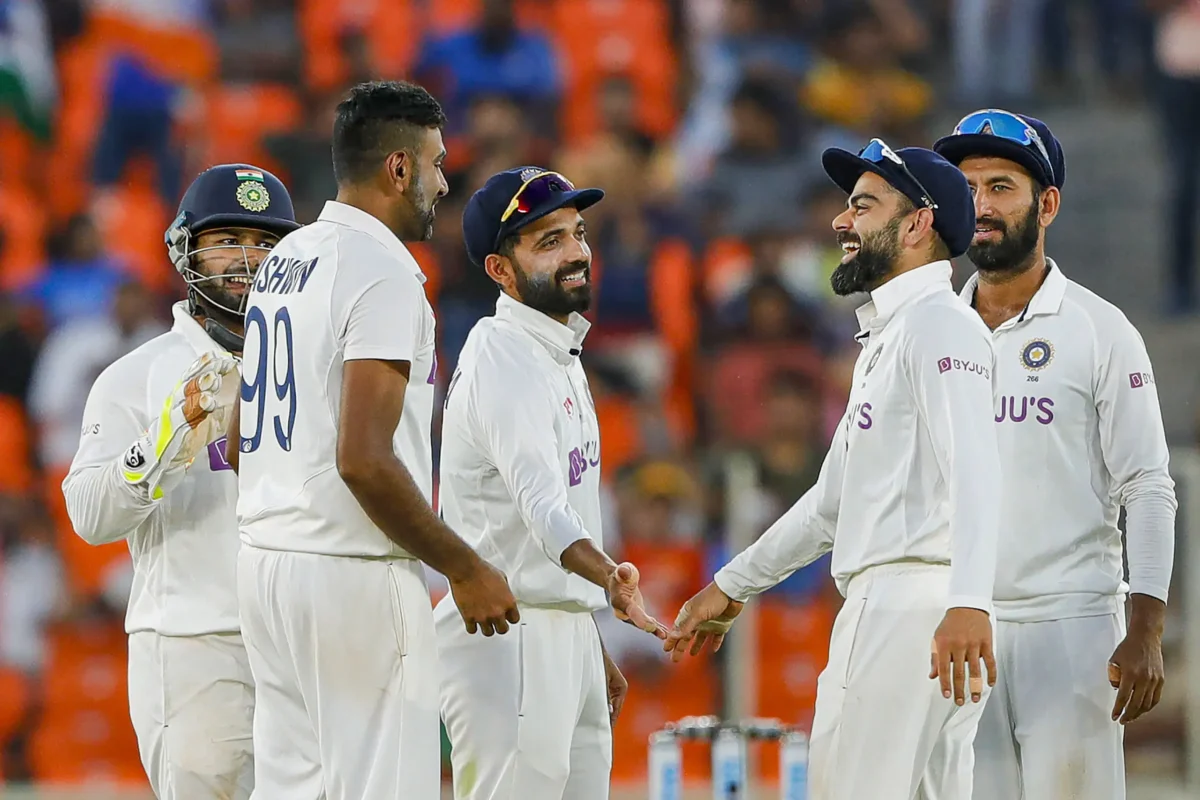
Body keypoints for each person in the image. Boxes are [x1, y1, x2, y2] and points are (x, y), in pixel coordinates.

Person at [667, 140, 1003, 799]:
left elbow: (978, 471)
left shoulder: (936, 325)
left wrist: (969, 602)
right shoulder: (896, 334)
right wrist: (732, 584)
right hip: (919, 606)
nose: (840, 222)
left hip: (906, 607)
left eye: (863, 206)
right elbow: (832, 504)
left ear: (917, 224)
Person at [226, 80, 519, 800]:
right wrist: (464, 568)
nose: (444, 183)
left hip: (265, 565)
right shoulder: (382, 270)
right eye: (437, 164)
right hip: (351, 573)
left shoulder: (285, 260)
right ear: (398, 167)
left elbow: (237, 440)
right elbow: (362, 458)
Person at [933, 109, 1178, 799]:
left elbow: (1147, 484)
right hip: (959, 624)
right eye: (967, 187)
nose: (981, 205)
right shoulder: (930, 331)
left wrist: (1146, 627)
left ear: (1047, 205)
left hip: (1072, 626)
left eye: (1001, 187)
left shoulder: (1101, 330)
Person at [62, 163, 301, 799]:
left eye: (265, 242)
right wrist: (162, 443)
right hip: (195, 643)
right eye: (228, 240)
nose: (247, 259)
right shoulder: (137, 374)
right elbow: (89, 516)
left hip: (302, 641)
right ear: (185, 249)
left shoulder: (317, 366)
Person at [437, 167, 667, 799]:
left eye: (578, 233)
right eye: (549, 241)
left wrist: (586, 635)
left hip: (559, 626)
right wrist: (610, 580)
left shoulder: (556, 351)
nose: (576, 252)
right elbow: (542, 509)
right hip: (507, 634)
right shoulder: (502, 356)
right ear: (499, 270)